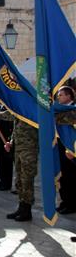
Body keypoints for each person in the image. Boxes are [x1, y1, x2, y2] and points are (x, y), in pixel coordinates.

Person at [0, 109, 38, 221]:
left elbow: (10, 114)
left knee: (27, 179)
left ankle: (27, 210)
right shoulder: (20, 107)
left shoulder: (31, 107)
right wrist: (11, 142)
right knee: (19, 180)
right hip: (18, 148)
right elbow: (17, 127)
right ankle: (21, 207)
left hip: (29, 149)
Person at [55, 86, 76, 215]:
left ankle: (72, 204)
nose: (59, 97)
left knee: (72, 177)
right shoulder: (59, 110)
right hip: (61, 146)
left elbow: (63, 119)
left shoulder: (73, 109)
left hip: (72, 148)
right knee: (63, 176)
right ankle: (65, 201)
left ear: (69, 96)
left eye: (61, 95)